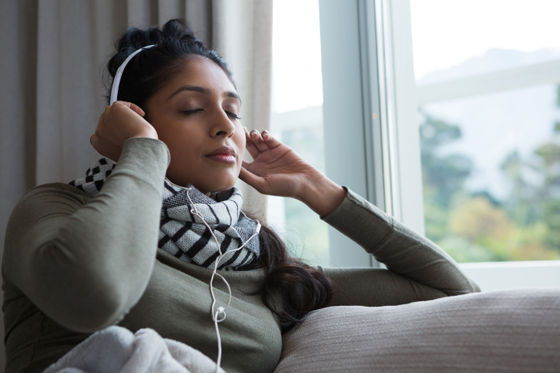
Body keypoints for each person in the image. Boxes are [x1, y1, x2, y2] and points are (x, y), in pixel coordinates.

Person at [2, 19, 479, 373]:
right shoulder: (56, 208)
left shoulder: (256, 265)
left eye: (233, 111)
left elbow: (450, 292)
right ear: (131, 118)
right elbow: (93, 296)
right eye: (192, 107)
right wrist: (143, 151)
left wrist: (318, 188)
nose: (224, 126)